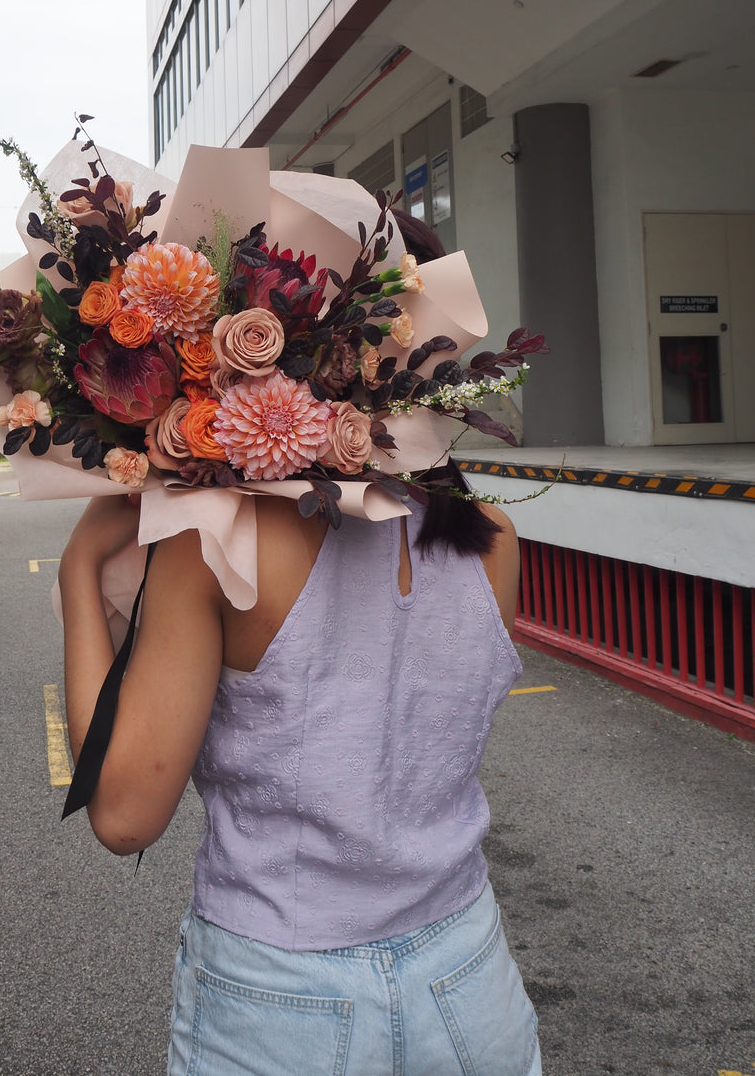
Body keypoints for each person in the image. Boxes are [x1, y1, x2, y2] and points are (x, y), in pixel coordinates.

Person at [57, 210, 541, 1076]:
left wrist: (76, 580)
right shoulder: (495, 540)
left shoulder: (220, 543)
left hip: (278, 992)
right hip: (470, 980)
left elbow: (124, 814)